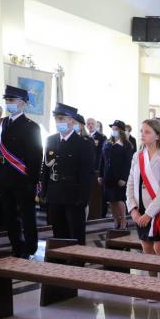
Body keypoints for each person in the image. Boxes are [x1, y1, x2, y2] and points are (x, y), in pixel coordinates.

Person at [0, 85, 43, 258]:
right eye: (7, 100)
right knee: (9, 215)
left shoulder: (31, 127)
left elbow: (36, 156)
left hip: (23, 179)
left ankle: (30, 247)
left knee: (27, 215)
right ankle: (16, 245)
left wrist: (33, 181)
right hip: (4, 178)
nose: (9, 103)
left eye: (12, 100)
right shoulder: (2, 123)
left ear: (23, 103)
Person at [41, 103, 95, 245]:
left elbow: (86, 174)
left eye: (61, 118)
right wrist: (44, 193)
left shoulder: (83, 143)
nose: (58, 122)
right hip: (54, 194)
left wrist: (83, 199)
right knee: (58, 234)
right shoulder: (51, 140)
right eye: (56, 119)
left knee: (76, 235)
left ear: (71, 120)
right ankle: (60, 257)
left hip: (73, 196)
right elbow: (46, 168)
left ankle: (77, 258)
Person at [125, 119, 160, 268]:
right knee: (147, 249)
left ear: (158, 136)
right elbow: (130, 183)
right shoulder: (137, 156)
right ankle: (151, 280)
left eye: (147, 132)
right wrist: (132, 209)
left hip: (159, 210)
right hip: (140, 208)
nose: (143, 134)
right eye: (142, 131)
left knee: (159, 249)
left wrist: (149, 214)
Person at [101, 120, 134, 229]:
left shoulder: (126, 145)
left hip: (119, 177)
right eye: (113, 129)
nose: (114, 131)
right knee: (111, 200)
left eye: (116, 129)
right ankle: (116, 220)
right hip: (108, 176)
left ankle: (123, 220)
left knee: (119, 199)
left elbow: (128, 163)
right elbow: (102, 159)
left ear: (121, 131)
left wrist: (124, 178)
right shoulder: (107, 142)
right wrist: (100, 175)